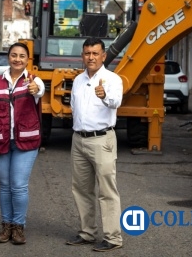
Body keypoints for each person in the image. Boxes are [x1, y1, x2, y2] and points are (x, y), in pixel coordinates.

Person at [0, 42, 44, 245]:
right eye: (14, 55)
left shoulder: (34, 81)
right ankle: (6, 226)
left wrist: (35, 88)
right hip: (0, 140)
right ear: (9, 57)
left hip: (26, 141)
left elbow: (39, 91)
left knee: (18, 186)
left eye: (22, 56)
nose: (17, 59)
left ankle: (18, 227)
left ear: (27, 59)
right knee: (5, 186)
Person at [66, 37, 123, 252]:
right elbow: (73, 106)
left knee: (107, 190)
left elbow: (116, 102)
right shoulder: (79, 80)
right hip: (78, 140)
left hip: (102, 140)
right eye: (87, 53)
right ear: (83, 56)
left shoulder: (112, 79)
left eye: (95, 53)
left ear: (104, 56)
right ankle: (87, 233)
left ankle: (113, 238)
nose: (91, 57)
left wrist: (104, 95)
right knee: (81, 189)